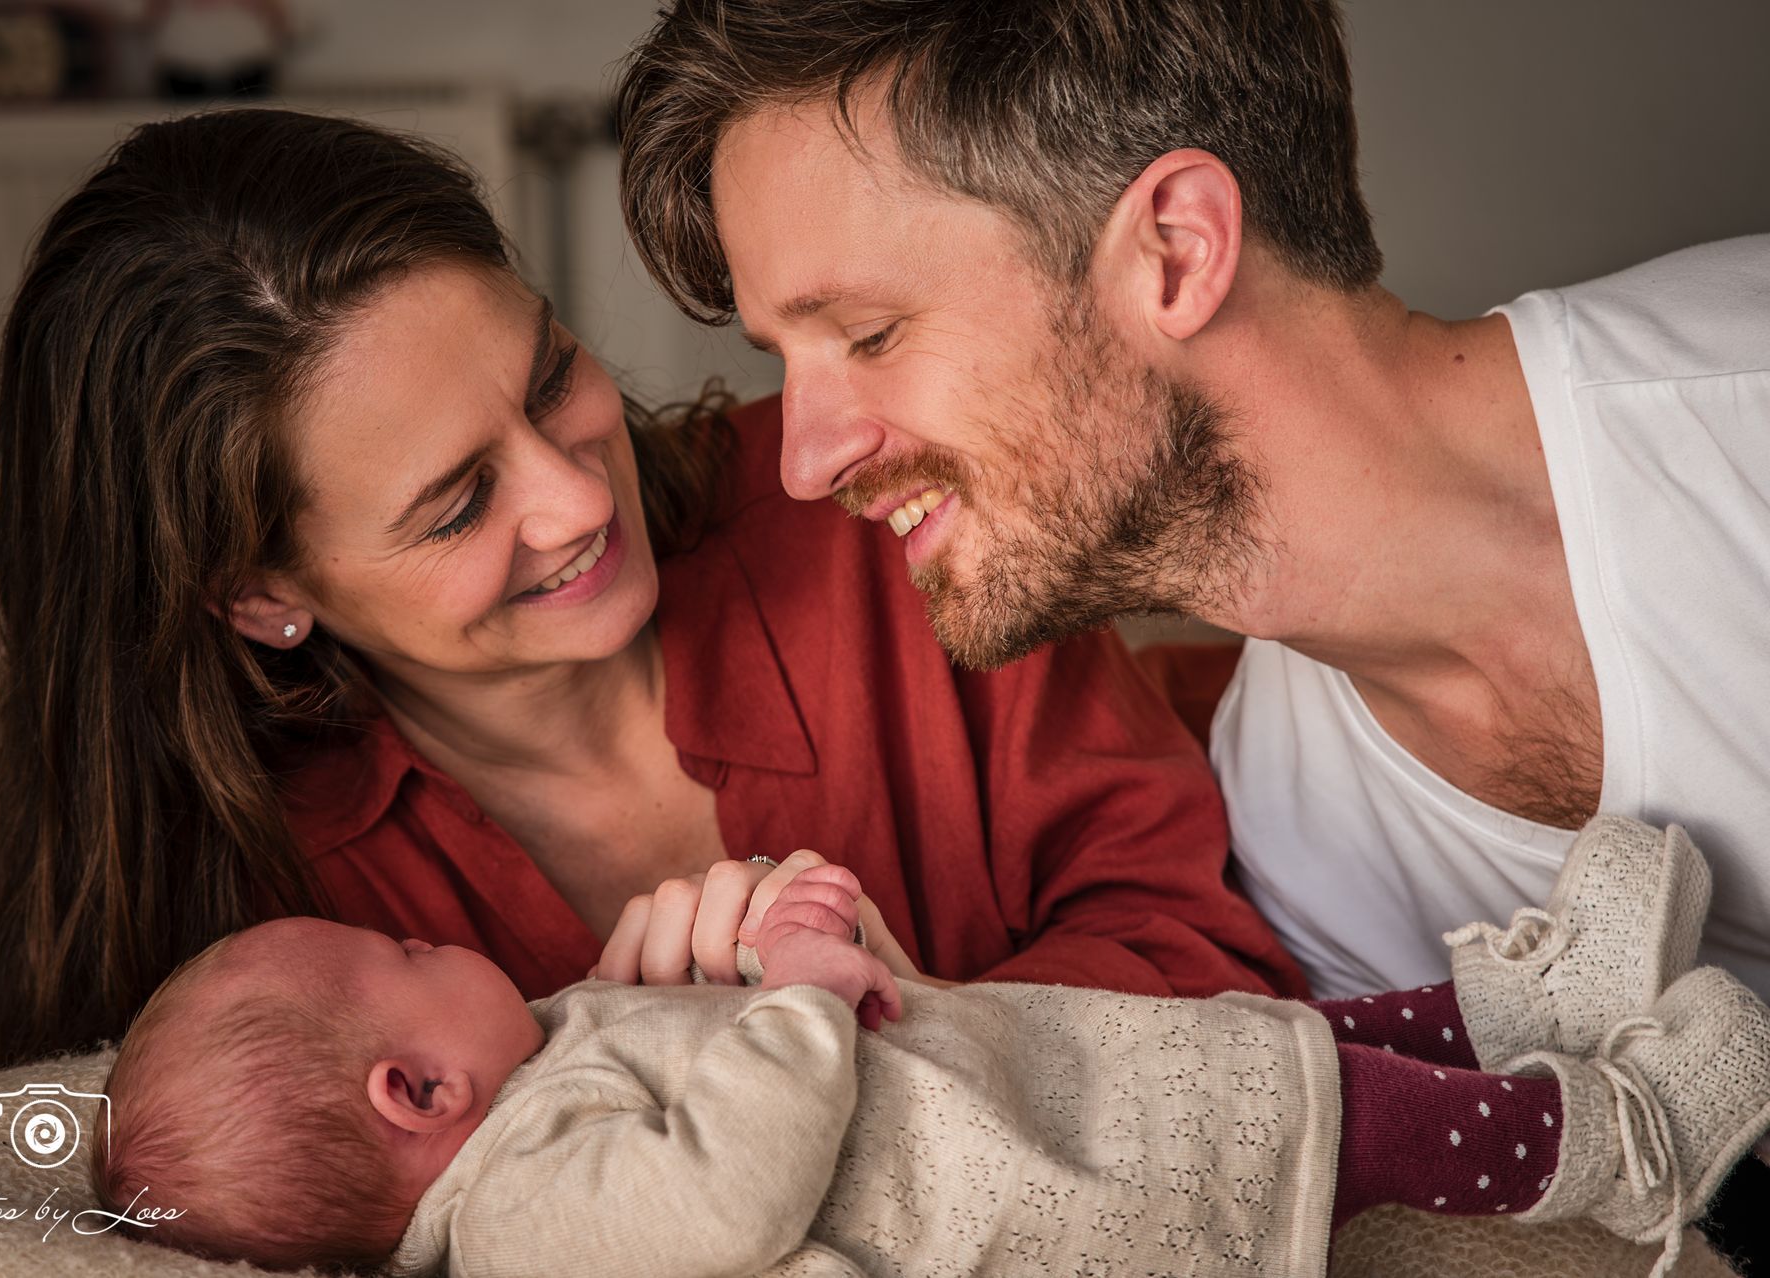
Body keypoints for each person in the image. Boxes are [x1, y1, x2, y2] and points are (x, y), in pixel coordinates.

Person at [0, 105, 1298, 1071]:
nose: (581, 499)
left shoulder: (882, 502)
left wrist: (908, 1020)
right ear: (257, 595)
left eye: (552, 380)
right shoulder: (262, 911)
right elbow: (126, 1173)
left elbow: (1219, 975)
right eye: (459, 502)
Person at [613, 0, 1770, 1016]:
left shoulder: (1742, 426)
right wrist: (906, 1023)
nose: (803, 464)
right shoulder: (1292, 829)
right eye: (786, 360)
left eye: (870, 335)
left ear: (1175, 250)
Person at [91, 820, 1770, 1277]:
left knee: (1269, 1052)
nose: (430, 940)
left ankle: (1517, 1011)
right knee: (1326, 1122)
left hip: (1017, 1072)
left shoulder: (533, 1089)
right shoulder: (526, 1211)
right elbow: (721, 1190)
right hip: (1042, 1186)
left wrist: (766, 946)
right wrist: (796, 997)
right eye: (404, 955)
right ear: (414, 1091)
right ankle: (1624, 1139)